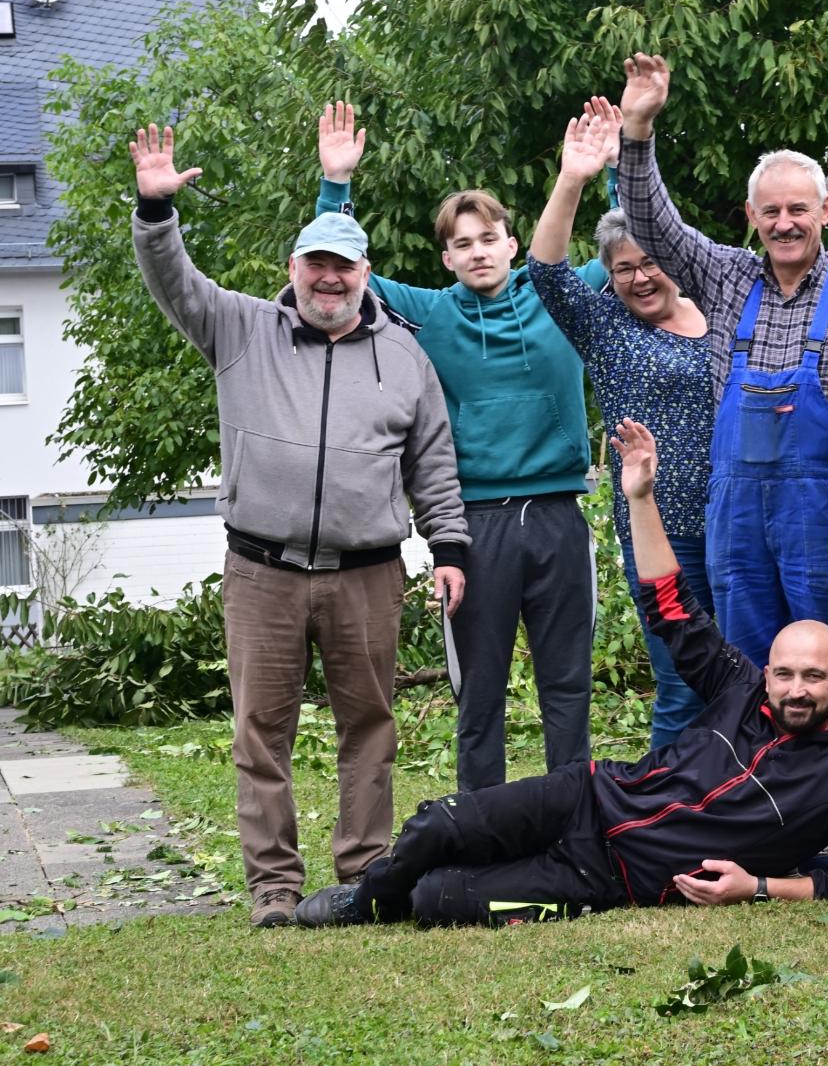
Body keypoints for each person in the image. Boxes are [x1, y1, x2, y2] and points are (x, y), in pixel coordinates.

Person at [292, 418, 828, 927]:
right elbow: (671, 605)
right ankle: (361, 904)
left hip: (606, 877)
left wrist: (755, 887)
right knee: (434, 825)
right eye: (784, 674)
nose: (796, 690)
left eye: (813, 677)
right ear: (767, 673)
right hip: (585, 796)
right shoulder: (738, 686)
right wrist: (640, 497)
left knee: (437, 899)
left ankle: (411, 896)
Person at [129, 125, 469, 929]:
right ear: (294, 271)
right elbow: (170, 278)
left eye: (342, 266)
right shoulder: (239, 330)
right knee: (261, 734)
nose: (328, 279)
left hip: (368, 572)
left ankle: (362, 877)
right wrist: (154, 206)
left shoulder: (406, 357)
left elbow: (433, 463)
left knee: (370, 729)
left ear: (364, 274)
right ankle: (275, 890)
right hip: (262, 572)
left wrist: (449, 546)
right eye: (315, 264)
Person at [610, 55, 828, 845]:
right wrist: (637, 127)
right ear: (751, 215)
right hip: (737, 519)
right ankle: (759, 823)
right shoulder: (723, 277)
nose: (785, 224)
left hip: (827, 520)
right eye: (771, 211)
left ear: (825, 215)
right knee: (746, 685)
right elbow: (647, 222)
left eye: (800, 210)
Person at [314, 102, 604, 792]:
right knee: (479, 696)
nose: (478, 251)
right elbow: (340, 272)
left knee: (567, 687)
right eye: (462, 243)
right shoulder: (431, 312)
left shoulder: (563, 295)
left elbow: (634, 250)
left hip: (560, 516)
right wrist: (335, 184)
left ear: (512, 243)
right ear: (447, 258)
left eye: (489, 237)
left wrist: (616, 172)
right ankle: (482, 833)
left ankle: (571, 829)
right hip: (475, 526)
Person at [527, 106, 715, 750]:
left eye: (649, 261)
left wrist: (623, 168)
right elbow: (546, 273)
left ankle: (743, 812)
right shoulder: (607, 330)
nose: (639, 277)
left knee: (745, 676)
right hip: (662, 534)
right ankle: (662, 824)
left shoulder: (725, 308)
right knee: (683, 680)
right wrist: (573, 178)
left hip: (742, 527)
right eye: (623, 269)